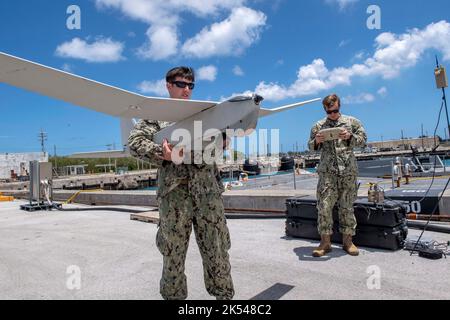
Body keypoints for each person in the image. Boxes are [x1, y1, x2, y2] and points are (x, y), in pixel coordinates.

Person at [128, 67, 234, 300]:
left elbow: (223, 136)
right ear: (168, 85)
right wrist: (161, 153)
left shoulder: (206, 113)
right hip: (175, 198)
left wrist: (224, 140)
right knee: (173, 255)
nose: (186, 90)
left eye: (190, 85)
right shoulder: (155, 117)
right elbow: (134, 143)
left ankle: (224, 298)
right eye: (181, 84)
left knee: (217, 250)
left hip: (208, 195)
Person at [308, 94, 367, 257]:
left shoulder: (352, 122)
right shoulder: (318, 126)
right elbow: (310, 146)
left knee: (347, 206)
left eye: (335, 110)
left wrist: (350, 137)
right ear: (325, 109)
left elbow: (363, 140)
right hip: (328, 173)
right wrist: (317, 141)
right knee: (324, 206)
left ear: (339, 106)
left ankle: (348, 242)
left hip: (348, 171)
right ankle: (325, 242)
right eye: (329, 111)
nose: (333, 114)